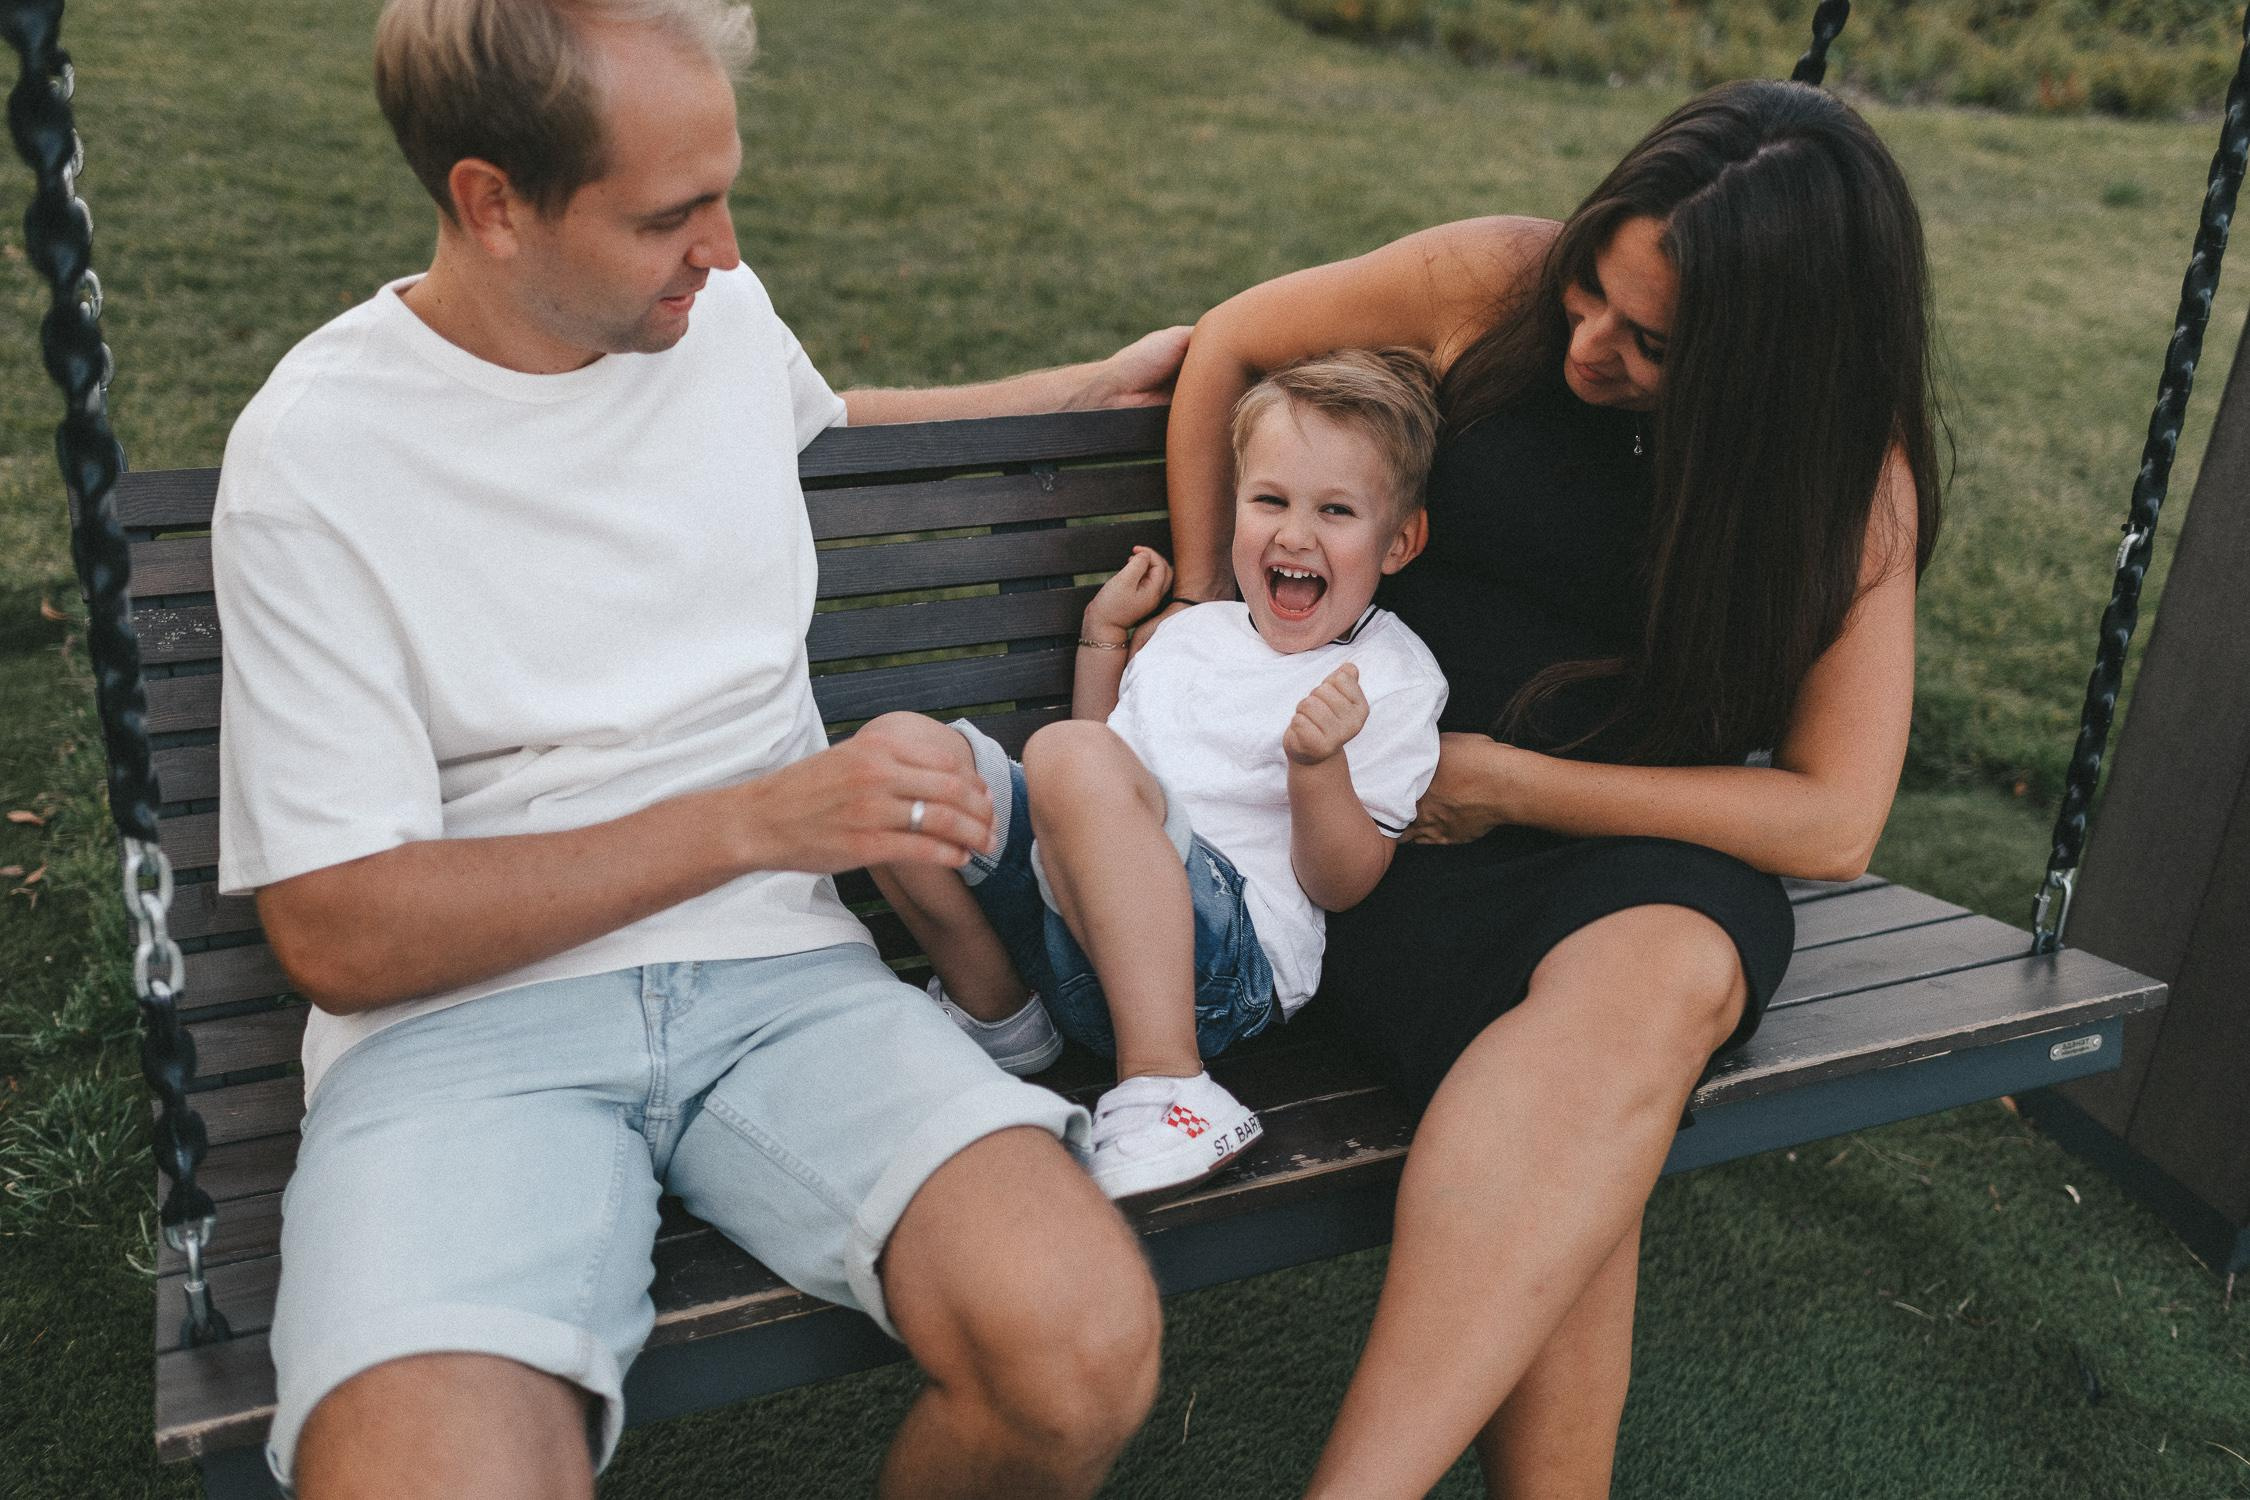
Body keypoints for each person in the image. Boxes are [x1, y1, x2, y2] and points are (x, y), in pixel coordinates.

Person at [212, 3, 1191, 1496]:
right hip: (467, 1037)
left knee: (1078, 1350)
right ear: (490, 204)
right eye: (670, 212)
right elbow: (339, 928)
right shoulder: (316, 456)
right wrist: (750, 824)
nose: (724, 249)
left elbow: (816, 423)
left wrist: (1074, 395)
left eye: (723, 191)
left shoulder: (709, 318)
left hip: (785, 986)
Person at [1161, 80, 1943, 1497]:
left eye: (1650, 343)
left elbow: (1833, 817)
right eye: (1591, 288)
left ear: (1768, 368)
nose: (1587, 345)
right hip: (1373, 832)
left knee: (1652, 989)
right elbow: (1227, 349)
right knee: (1603, 1107)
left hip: (1614, 845)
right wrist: (1230, 643)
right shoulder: (1490, 283)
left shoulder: (1845, 484)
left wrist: (1521, 788)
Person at [870, 350, 1450, 1201]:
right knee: (894, 757)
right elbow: (1106, 762)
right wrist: (1104, 638)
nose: (1295, 534)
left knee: (1066, 755)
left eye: (1335, 510)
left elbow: (1344, 883)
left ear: (1399, 540)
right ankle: (1000, 1016)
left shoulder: (1390, 677)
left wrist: (1316, 767)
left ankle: (1171, 1091)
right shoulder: (1194, 631)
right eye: (1270, 501)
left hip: (1218, 969)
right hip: (1074, 929)